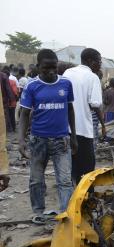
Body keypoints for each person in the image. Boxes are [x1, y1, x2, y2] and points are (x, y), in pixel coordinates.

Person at [18, 49, 77, 222]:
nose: (51, 72)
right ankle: (38, 212)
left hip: (62, 140)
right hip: (38, 141)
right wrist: (21, 140)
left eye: (54, 67)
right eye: (46, 68)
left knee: (65, 180)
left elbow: (70, 110)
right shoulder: (31, 86)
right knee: (36, 180)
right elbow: (24, 114)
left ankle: (66, 213)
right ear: (38, 67)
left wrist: (73, 136)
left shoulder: (66, 84)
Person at [63, 48, 105, 185]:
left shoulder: (68, 73)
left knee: (71, 166)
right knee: (87, 167)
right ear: (89, 61)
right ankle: (86, 197)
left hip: (65, 128)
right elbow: (95, 104)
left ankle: (72, 194)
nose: (100, 64)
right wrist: (103, 124)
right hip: (83, 129)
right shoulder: (92, 77)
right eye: (99, 61)